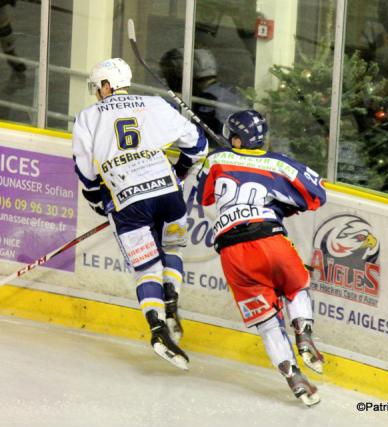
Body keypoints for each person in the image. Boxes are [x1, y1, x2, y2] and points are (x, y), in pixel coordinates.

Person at [72, 58, 208, 370]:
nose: (96, 94)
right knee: (172, 248)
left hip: (128, 202)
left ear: (107, 86)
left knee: (146, 270)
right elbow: (198, 145)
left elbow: (87, 174)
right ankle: (171, 299)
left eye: (97, 88)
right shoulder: (155, 104)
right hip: (168, 194)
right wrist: (178, 173)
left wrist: (98, 203)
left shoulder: (88, 117)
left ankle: (159, 331)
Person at [194, 109, 326, 406]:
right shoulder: (278, 164)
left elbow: (204, 197)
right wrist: (282, 204)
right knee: (296, 286)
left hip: (232, 251)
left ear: (237, 138)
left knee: (267, 323)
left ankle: (295, 379)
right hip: (269, 237)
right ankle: (304, 333)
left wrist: (228, 161)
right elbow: (317, 194)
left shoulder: (216, 159)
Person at [159, 48, 248, 147]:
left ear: (180, 78)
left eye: (169, 78)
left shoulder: (207, 104)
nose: (167, 83)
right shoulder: (231, 93)